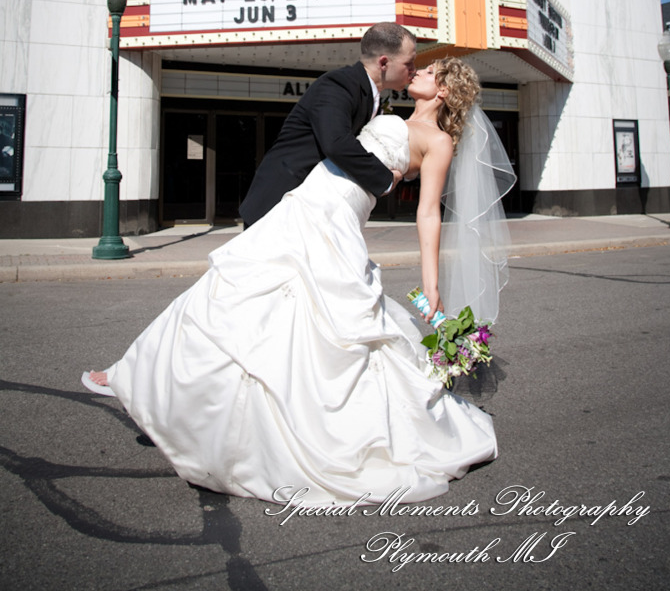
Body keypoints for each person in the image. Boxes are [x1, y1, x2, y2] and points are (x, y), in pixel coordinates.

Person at [82, 58, 514, 505]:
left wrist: (431, 283)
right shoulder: (384, 113)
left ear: (443, 91)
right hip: (302, 202)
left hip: (338, 218)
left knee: (329, 326)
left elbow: (428, 212)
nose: (419, 71)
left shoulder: (438, 141)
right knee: (230, 288)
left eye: (431, 71)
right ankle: (138, 376)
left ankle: (303, 429)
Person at [239, 21, 417, 226]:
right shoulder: (339, 84)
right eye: (408, 63)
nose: (413, 70)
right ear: (384, 63)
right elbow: (337, 142)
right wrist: (384, 179)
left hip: (313, 210)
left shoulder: (367, 94)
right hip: (279, 205)